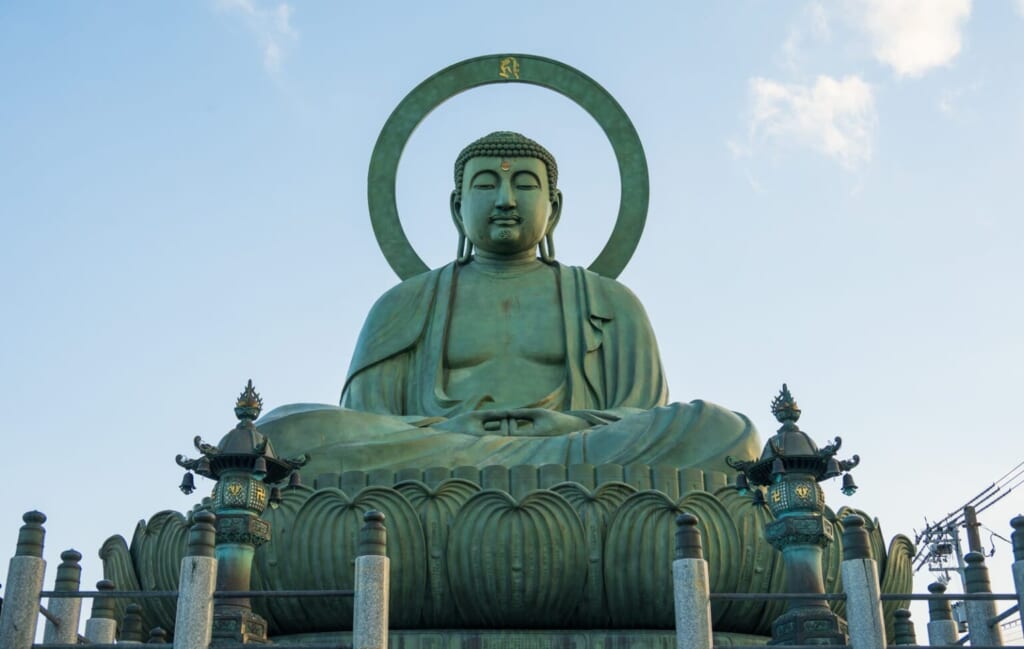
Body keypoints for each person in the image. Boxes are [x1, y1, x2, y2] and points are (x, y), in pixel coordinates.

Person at [257, 132, 760, 476]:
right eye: (485, 185)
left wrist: (573, 425)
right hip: (438, 454)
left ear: (554, 207)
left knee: (728, 431)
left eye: (524, 184)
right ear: (457, 207)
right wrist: (449, 429)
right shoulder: (404, 304)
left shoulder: (610, 302)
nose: (504, 199)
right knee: (282, 433)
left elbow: (641, 415)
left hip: (575, 453)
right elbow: (369, 425)